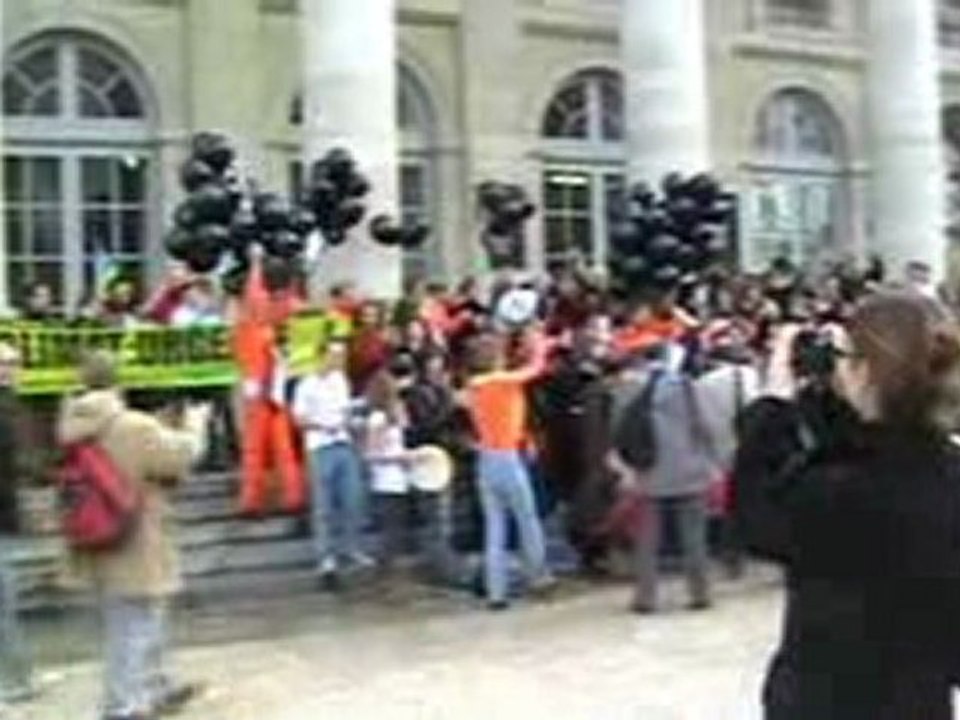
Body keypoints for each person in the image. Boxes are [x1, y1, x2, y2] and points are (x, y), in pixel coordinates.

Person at [735, 291, 960, 720]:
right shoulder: (944, 472)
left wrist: (771, 405)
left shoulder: (838, 491)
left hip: (828, 697)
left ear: (865, 372)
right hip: (917, 698)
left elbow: (754, 518)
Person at [57, 351, 208, 720]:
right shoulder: (131, 425)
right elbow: (179, 457)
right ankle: (122, 705)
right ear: (118, 382)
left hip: (97, 533)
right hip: (135, 535)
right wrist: (195, 426)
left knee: (133, 616)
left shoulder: (71, 424)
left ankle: (154, 686)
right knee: (135, 621)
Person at [612, 342, 718, 613]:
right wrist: (711, 459)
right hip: (689, 469)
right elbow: (704, 425)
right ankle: (700, 593)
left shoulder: (629, 386)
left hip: (649, 471)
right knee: (693, 535)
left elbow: (619, 429)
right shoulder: (685, 385)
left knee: (647, 538)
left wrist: (627, 468)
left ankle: (645, 597)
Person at [464, 329, 556, 610]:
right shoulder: (500, 381)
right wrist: (541, 344)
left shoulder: (473, 385)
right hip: (507, 457)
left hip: (486, 457)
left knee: (495, 527)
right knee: (527, 518)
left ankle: (496, 592)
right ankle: (538, 576)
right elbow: (536, 369)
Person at [293, 339, 371, 589]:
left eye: (342, 356)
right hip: (320, 446)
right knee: (324, 505)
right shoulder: (307, 384)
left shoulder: (341, 381)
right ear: (322, 356)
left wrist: (352, 419)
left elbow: (345, 409)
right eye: (335, 356)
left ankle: (351, 547)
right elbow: (300, 418)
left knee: (353, 498)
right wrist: (323, 425)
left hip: (343, 442)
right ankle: (326, 558)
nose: (339, 361)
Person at [0, 343, 34, 707]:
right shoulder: (6, 408)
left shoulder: (11, 405)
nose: (13, 369)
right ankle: (14, 680)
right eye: (6, 364)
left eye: (14, 363)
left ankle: (17, 676)